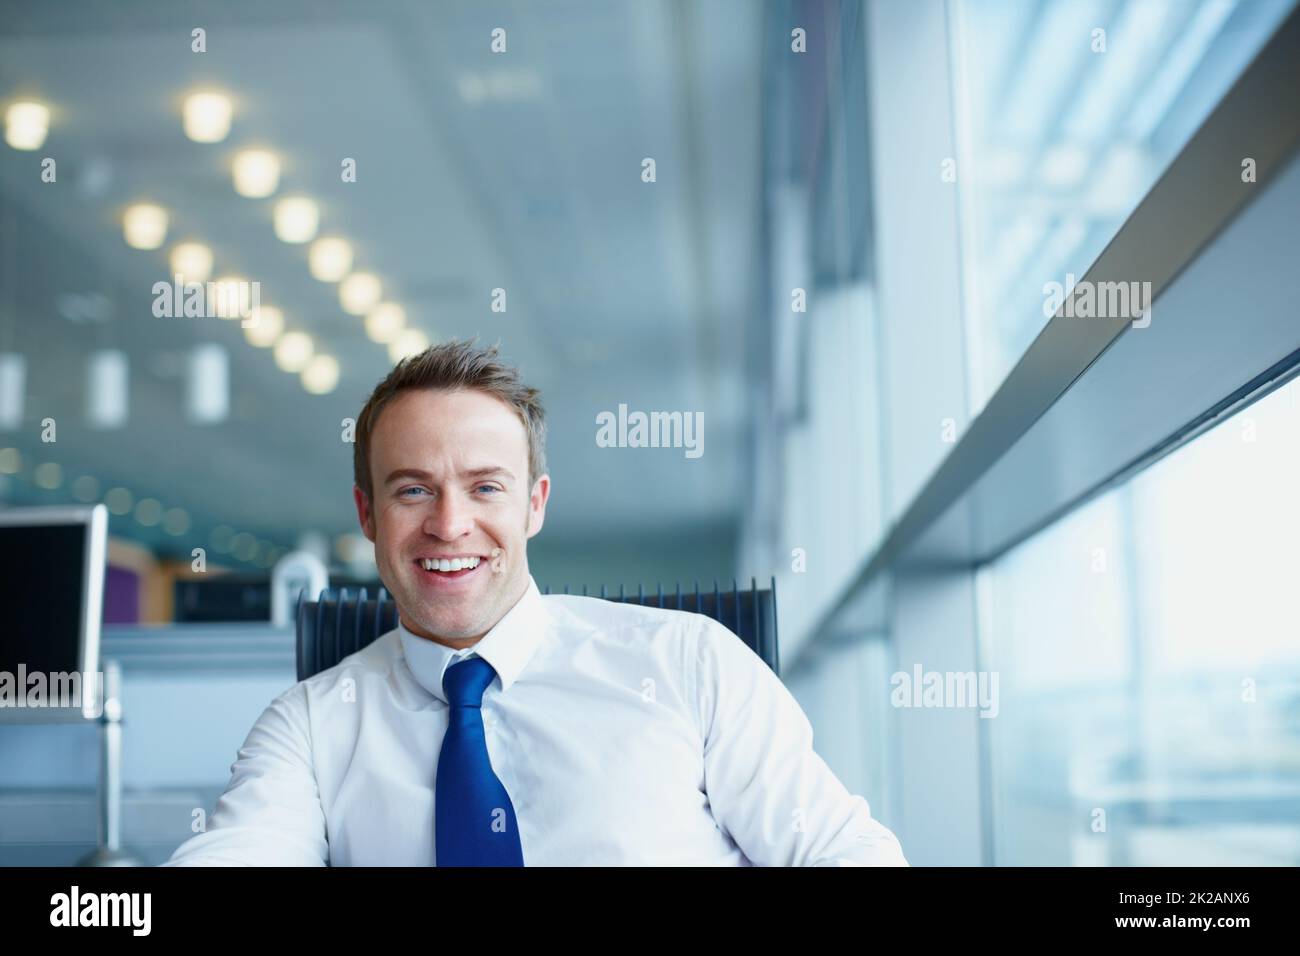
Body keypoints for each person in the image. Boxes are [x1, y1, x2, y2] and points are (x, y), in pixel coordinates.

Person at [164, 339, 908, 866]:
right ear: (368, 516)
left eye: (486, 487)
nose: (450, 524)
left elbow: (843, 853)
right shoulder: (311, 726)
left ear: (534, 505)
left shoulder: (690, 664)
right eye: (413, 489)